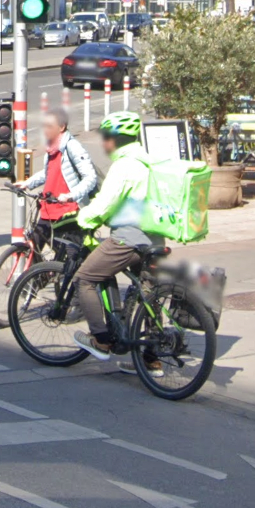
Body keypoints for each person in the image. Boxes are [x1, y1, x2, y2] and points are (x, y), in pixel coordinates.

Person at [71, 111, 163, 376]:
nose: (103, 143)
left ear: (116, 139)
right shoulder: (151, 161)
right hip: (156, 238)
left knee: (85, 279)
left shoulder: (124, 166)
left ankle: (101, 340)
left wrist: (85, 219)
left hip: (129, 239)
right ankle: (152, 360)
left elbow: (106, 202)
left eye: (106, 138)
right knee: (150, 296)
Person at [15, 107, 97, 248]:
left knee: (65, 256)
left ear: (61, 127)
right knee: (33, 246)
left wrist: (71, 195)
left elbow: (90, 178)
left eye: (49, 126)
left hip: (68, 211)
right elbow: (49, 173)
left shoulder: (73, 147)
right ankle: (44, 270)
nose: (45, 130)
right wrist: (27, 183)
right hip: (49, 207)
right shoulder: (51, 148)